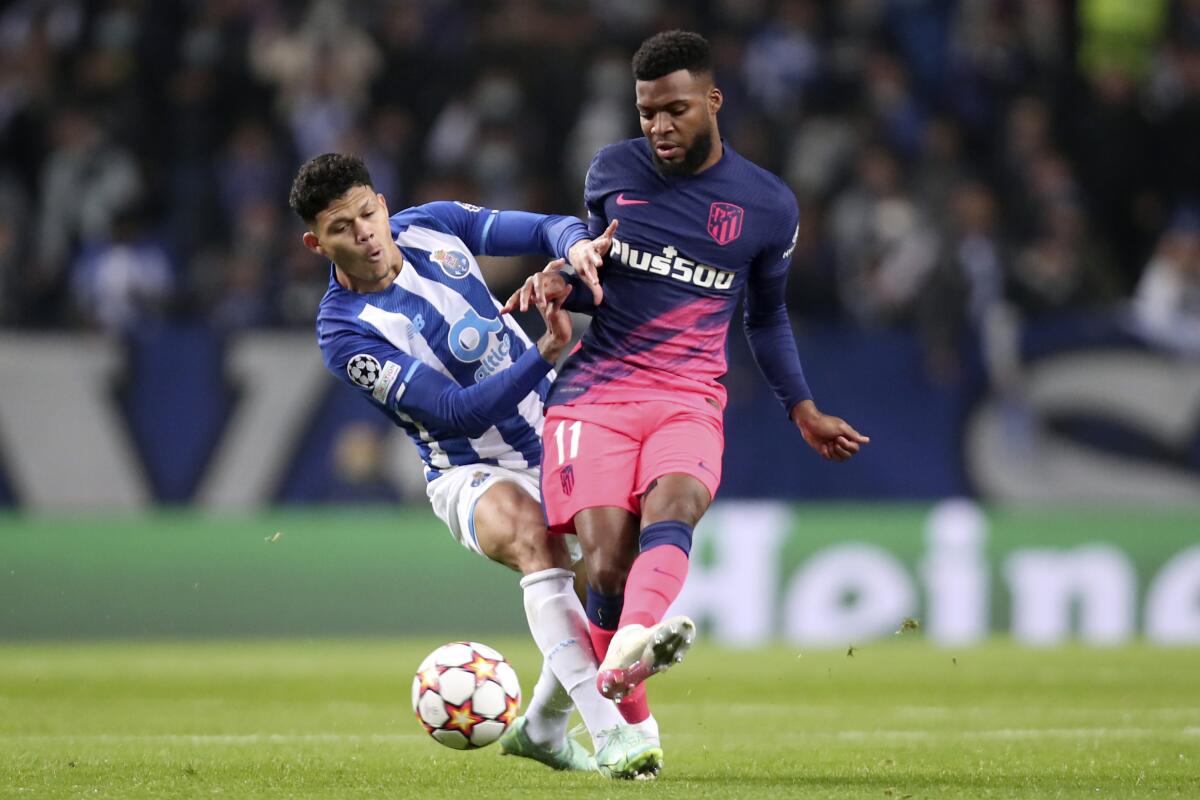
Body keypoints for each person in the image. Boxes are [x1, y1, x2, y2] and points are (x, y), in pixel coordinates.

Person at [504, 30, 870, 768]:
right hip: (596, 394)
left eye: (674, 110)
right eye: (647, 114)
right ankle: (621, 690)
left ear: (713, 99)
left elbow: (764, 315)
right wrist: (556, 280)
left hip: (688, 395)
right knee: (605, 564)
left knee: (677, 505)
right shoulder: (611, 171)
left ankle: (627, 690)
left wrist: (800, 407)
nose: (660, 128)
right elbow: (593, 275)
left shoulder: (767, 206)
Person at [288, 153, 661, 779]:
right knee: (534, 540)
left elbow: (545, 228)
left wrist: (578, 249)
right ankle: (611, 735)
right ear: (314, 242)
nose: (363, 236)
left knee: (609, 576)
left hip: (560, 432)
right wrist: (545, 352)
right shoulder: (344, 332)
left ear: (382, 203)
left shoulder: (432, 224)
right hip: (467, 468)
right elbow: (453, 413)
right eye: (340, 229)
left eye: (366, 215)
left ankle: (542, 727)